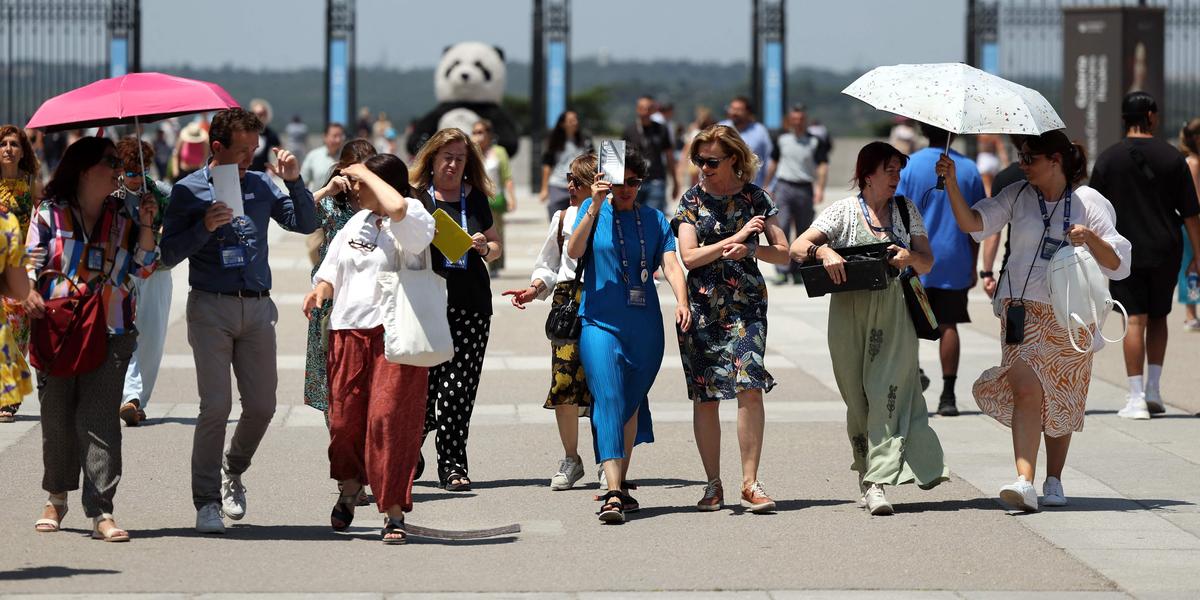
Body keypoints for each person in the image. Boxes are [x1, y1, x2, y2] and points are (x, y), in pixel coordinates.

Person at [937, 130, 1130, 511]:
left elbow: (1120, 264)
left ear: (1055, 160)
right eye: (1021, 157)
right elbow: (973, 224)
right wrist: (952, 185)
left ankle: (1053, 478)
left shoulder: (1089, 202)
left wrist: (1089, 238)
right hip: (1021, 309)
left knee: (1061, 397)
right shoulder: (1018, 195)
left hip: (1070, 314)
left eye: (1030, 158)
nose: (1022, 165)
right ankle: (1024, 480)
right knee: (1026, 389)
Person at [160, 108, 318, 534]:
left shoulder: (263, 183)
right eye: (242, 150)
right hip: (211, 305)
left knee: (263, 406)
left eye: (255, 148)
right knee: (216, 406)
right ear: (218, 148)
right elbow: (167, 254)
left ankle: (234, 468)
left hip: (258, 306)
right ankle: (206, 499)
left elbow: (307, 223)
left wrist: (294, 181)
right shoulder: (189, 190)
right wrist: (203, 229)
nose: (250, 157)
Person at [789, 141, 949, 515]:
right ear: (867, 175)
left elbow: (927, 263)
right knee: (857, 398)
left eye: (898, 170)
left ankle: (879, 480)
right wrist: (823, 251)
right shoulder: (842, 212)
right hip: (848, 312)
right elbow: (797, 248)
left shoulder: (906, 211)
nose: (896, 177)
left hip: (894, 311)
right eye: (889, 170)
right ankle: (866, 476)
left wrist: (910, 257)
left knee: (887, 391)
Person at [27, 136, 159, 541]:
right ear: (85, 169)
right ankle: (56, 497)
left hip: (111, 328)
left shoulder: (124, 215)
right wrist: (29, 290)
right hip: (58, 328)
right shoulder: (49, 213)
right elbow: (28, 261)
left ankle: (101, 510)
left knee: (100, 420)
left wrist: (149, 226)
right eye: (109, 162)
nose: (118, 169)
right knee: (58, 419)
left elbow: (144, 267)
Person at [302, 155, 435, 544]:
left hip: (395, 337)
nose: (354, 189)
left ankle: (393, 512)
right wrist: (318, 292)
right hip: (347, 333)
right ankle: (349, 488)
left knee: (388, 423)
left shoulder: (414, 217)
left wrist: (365, 175)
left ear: (382, 183)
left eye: (361, 183)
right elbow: (330, 270)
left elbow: (395, 206)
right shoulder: (354, 224)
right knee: (343, 423)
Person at [566, 146, 691, 524]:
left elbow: (670, 262)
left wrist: (681, 300)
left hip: (645, 325)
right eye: (620, 181)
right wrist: (593, 203)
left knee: (630, 402)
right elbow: (573, 251)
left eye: (634, 182)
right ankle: (614, 491)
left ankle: (619, 477)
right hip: (599, 321)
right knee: (607, 398)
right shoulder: (593, 213)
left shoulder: (653, 219)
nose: (626, 189)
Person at [673, 125, 790, 513]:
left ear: (734, 159)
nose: (703, 168)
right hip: (703, 308)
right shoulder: (691, 200)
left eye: (710, 161)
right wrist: (733, 239)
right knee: (706, 397)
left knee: (748, 383)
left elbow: (784, 253)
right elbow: (688, 257)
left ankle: (750, 483)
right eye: (698, 161)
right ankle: (713, 484)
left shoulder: (757, 197)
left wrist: (752, 248)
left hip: (746, 306)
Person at [1089, 92, 1200, 419]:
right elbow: (1192, 213)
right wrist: (1198, 255)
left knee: (1133, 319)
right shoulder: (1172, 157)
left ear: (1125, 118)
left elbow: (1093, 208)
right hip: (1166, 247)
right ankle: (1154, 388)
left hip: (1123, 251)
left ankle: (1136, 396)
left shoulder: (1108, 159)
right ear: (1150, 115)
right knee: (1159, 316)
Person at [411, 128, 502, 491]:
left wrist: (483, 247)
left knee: (458, 389)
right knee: (426, 387)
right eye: (446, 157)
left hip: (472, 302)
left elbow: (496, 247)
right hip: (428, 302)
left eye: (460, 159)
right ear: (432, 159)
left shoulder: (475, 198)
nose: (452, 164)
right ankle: (409, 446)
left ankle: (452, 464)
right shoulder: (416, 198)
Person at [501, 151, 598, 490]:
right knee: (564, 383)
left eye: (578, 180)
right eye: (569, 179)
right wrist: (535, 288)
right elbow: (550, 264)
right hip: (569, 302)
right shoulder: (562, 218)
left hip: (603, 301)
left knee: (604, 384)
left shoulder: (615, 217)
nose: (570, 185)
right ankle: (571, 458)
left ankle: (607, 459)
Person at [896, 123, 989, 416]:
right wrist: (974, 264)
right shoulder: (970, 169)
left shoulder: (910, 166)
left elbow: (897, 211)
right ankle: (948, 395)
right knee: (948, 324)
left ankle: (915, 372)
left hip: (916, 257)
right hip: (955, 257)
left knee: (909, 323)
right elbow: (978, 221)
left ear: (924, 131)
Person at [303, 139, 378, 424]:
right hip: (331, 301)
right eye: (353, 172)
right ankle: (344, 450)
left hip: (371, 301)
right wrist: (326, 190)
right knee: (334, 384)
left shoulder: (380, 203)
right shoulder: (333, 205)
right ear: (342, 170)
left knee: (371, 383)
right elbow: (294, 216)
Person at [116, 138, 174, 427]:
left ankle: (137, 401)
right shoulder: (111, 194)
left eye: (142, 170)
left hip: (157, 269)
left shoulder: (162, 193)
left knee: (151, 335)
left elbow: (181, 227)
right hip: (120, 270)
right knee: (120, 331)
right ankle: (129, 395)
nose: (137, 178)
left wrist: (159, 225)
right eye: (130, 172)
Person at [0, 124, 41, 423]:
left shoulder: (30, 186)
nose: (8, 149)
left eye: (14, 144)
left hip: (19, 270)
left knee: (18, 334)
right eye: (3, 144)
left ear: (22, 151)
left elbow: (39, 227)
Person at [765, 105, 830, 285]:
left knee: (804, 230)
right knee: (782, 227)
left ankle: (798, 269)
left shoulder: (815, 141)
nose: (798, 122)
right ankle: (782, 269)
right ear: (790, 121)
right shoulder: (782, 139)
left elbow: (823, 165)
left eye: (801, 119)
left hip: (805, 187)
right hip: (784, 186)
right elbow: (773, 162)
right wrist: (767, 186)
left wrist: (820, 188)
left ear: (805, 120)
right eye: (794, 119)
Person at [472, 119, 517, 275]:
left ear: (489, 134)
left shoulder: (499, 152)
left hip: (495, 198)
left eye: (481, 132)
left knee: (496, 232)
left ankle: (495, 264)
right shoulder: (472, 152)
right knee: (479, 233)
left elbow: (507, 177)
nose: (478, 136)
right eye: (475, 132)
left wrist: (512, 198)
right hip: (476, 198)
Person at [301, 124, 349, 265]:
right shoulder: (314, 156)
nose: (338, 139)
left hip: (341, 211)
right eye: (334, 135)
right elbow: (303, 182)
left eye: (341, 136)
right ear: (325, 137)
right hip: (319, 210)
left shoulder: (347, 157)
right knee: (315, 248)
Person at [624, 96, 678, 215]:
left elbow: (669, 156)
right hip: (634, 181)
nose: (645, 112)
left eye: (649, 109)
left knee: (652, 216)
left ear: (654, 110)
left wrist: (675, 181)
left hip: (656, 179)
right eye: (642, 108)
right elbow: (621, 157)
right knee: (632, 216)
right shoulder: (629, 130)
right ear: (637, 109)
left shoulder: (661, 129)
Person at [539, 110, 587, 219]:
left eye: (575, 120)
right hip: (558, 185)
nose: (574, 122)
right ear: (562, 124)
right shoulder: (554, 141)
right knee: (557, 218)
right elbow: (547, 165)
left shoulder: (584, 140)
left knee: (578, 218)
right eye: (570, 120)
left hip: (578, 184)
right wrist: (544, 188)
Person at [718, 96, 773, 189]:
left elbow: (769, 160)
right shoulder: (720, 129)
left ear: (748, 112)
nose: (734, 112)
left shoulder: (760, 131)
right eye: (732, 109)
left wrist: (768, 186)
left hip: (752, 189)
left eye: (739, 109)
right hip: (723, 188)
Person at [1178, 118, 1200, 330]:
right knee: (1192, 265)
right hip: (1193, 222)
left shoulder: (1191, 160)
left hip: (1191, 221)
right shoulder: (1193, 163)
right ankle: (1191, 313)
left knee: (1193, 264)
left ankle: (1192, 312)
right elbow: (1195, 198)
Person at [679, 107, 718, 189]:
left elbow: (685, 150)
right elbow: (686, 150)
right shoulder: (697, 132)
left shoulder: (700, 132)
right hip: (697, 164)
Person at [248, 99, 283, 174]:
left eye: (262, 114)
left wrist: (273, 168)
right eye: (257, 114)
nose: (260, 117)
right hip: (245, 170)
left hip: (263, 173)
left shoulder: (270, 134)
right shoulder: (245, 132)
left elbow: (280, 152)